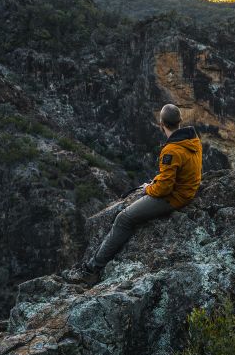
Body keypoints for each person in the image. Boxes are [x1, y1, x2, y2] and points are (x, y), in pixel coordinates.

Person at [63, 104, 202, 284]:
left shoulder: (171, 150)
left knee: (124, 218)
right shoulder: (192, 139)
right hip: (188, 189)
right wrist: (158, 181)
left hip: (175, 197)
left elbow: (163, 189)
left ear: (161, 124)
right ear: (180, 121)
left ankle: (92, 269)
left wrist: (148, 189)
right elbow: (177, 172)